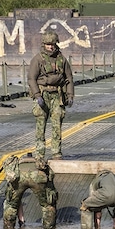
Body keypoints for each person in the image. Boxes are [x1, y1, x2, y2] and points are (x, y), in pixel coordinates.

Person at [28, 31, 74, 160]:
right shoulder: (38, 59)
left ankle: (56, 152)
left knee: (57, 123)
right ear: (44, 44)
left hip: (57, 96)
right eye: (48, 44)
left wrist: (70, 95)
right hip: (43, 94)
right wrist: (37, 95)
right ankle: (39, 153)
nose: (50, 47)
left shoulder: (61, 59)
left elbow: (69, 78)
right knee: (40, 124)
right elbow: (31, 78)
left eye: (53, 44)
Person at [2, 155, 58, 229]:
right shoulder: (40, 162)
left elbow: (16, 200)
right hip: (38, 175)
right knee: (47, 205)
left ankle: (9, 228)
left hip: (19, 177)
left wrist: (21, 220)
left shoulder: (15, 165)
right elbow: (50, 177)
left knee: (11, 205)